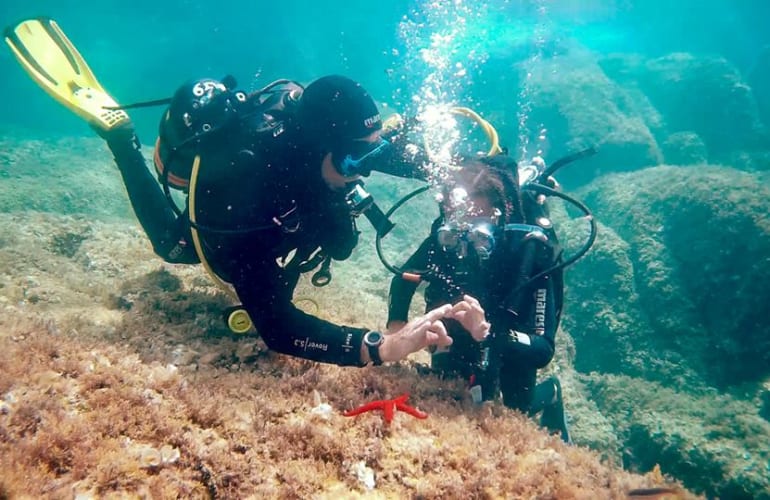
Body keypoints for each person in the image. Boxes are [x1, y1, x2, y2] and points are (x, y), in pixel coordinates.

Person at [5, 17, 451, 368]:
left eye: (371, 157)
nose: (364, 174)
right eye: (355, 162)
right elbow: (278, 329)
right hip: (234, 218)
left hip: (299, 193)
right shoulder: (248, 191)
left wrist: (465, 171)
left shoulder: (332, 154)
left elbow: (377, 155)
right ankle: (121, 139)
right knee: (173, 246)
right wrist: (383, 347)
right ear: (318, 148)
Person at [386, 156, 571, 442]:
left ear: (502, 215)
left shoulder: (530, 251)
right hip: (456, 335)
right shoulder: (442, 241)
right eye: (456, 227)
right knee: (454, 394)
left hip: (512, 338)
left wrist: (487, 332)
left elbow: (542, 348)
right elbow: (403, 280)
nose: (465, 242)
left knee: (516, 410)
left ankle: (550, 394)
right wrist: (395, 331)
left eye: (480, 230)